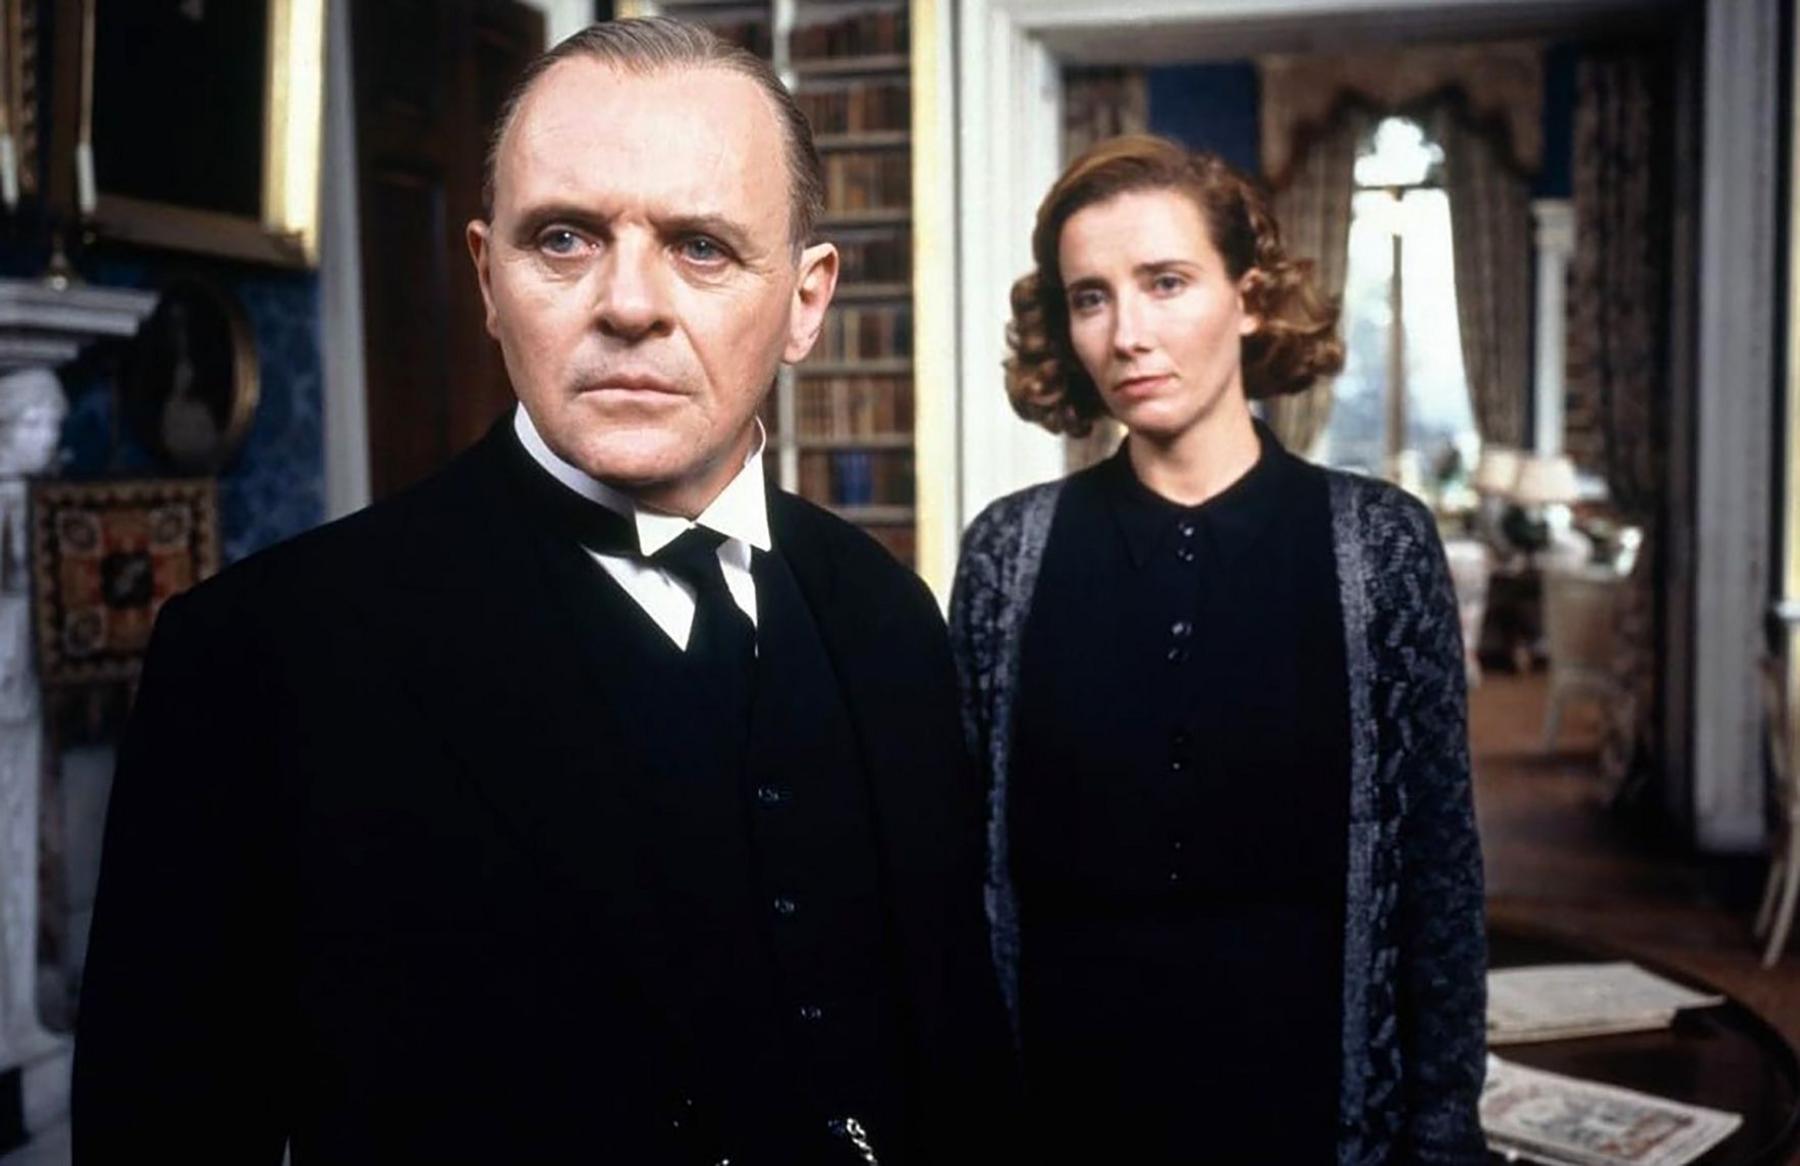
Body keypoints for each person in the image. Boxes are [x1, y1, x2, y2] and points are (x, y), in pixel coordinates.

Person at [72, 19, 1012, 1164]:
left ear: (808, 299)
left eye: (702, 247)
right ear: (485, 275)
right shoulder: (262, 653)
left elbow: (956, 1055)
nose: (628, 303)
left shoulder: (888, 613)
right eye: (563, 239)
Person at [949, 135, 1486, 1163]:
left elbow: (1439, 875)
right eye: (1092, 297)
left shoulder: (1379, 544)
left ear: (1247, 297)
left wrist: (1442, 1127)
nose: (1128, 333)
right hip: (1064, 1111)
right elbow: (962, 874)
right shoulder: (1007, 554)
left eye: (1165, 282)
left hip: (1308, 1111)